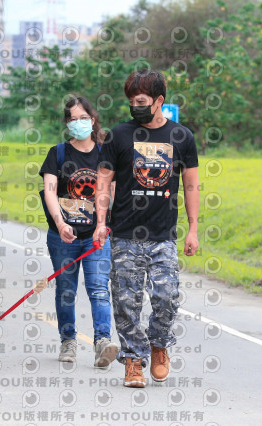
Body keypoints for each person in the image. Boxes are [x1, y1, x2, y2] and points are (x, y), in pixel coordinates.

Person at [93, 70, 200, 387]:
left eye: (140, 101)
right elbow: (103, 182)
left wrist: (193, 229)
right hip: (125, 235)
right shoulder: (118, 136)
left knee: (167, 298)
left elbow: (191, 186)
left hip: (162, 236)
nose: (134, 107)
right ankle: (133, 360)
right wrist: (100, 223)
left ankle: (159, 345)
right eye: (131, 101)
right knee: (126, 303)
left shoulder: (181, 137)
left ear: (159, 100)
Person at [39, 96, 118, 367]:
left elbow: (111, 192)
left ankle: (103, 342)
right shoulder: (58, 153)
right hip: (63, 237)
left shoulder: (105, 154)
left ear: (93, 120)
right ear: (67, 123)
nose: (79, 123)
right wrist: (61, 224)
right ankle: (68, 341)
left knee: (99, 289)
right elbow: (50, 192)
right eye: (73, 119)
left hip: (96, 236)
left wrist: (104, 225)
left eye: (83, 118)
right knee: (66, 290)